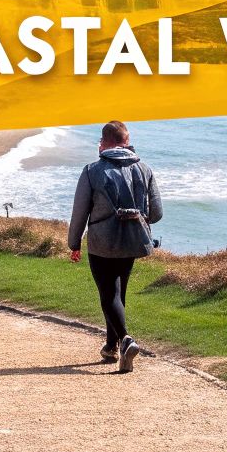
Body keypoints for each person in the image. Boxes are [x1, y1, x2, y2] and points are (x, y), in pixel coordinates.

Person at [67, 121, 161, 373]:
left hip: (102, 242)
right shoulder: (145, 169)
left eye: (100, 141)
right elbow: (157, 213)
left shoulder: (92, 171)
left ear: (105, 142)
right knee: (119, 293)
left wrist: (74, 243)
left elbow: (79, 212)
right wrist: (134, 217)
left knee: (108, 295)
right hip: (132, 241)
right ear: (126, 141)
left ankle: (127, 340)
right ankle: (111, 345)